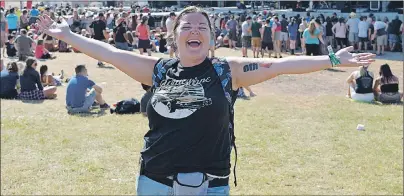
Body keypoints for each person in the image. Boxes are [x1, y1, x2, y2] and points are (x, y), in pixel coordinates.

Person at [36, 6, 374, 195]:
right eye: (187, 26)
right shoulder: (156, 69)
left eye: (202, 26)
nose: (194, 30)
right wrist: (67, 35)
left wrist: (331, 58)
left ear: (211, 37)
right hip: (155, 180)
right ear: (175, 35)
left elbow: (281, 66)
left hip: (211, 183)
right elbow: (109, 52)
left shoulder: (228, 71)